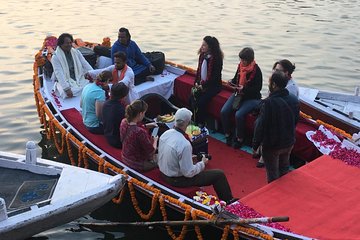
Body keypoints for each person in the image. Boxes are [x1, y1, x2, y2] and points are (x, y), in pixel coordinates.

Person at [157, 108, 236, 204]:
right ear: (188, 122)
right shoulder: (184, 144)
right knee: (219, 175)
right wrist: (202, 163)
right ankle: (229, 202)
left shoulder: (165, 134)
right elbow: (189, 173)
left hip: (164, 172)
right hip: (176, 180)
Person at [252, 70, 299, 183]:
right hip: (288, 141)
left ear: (274, 85)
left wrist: (255, 144)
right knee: (284, 170)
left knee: (273, 175)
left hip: (273, 145)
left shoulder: (268, 103)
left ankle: (274, 196)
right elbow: (295, 121)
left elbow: (260, 125)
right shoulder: (293, 99)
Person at [220, 47, 263, 148]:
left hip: (252, 98)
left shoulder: (257, 71)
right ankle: (228, 134)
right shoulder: (240, 67)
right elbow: (236, 79)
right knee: (224, 111)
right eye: (241, 60)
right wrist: (232, 82)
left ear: (250, 60)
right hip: (239, 94)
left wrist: (244, 89)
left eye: (244, 60)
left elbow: (257, 90)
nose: (242, 62)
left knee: (239, 115)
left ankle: (240, 138)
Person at [189, 36, 223, 128]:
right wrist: (196, 82)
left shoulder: (217, 59)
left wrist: (203, 85)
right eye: (202, 45)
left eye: (204, 45)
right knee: (192, 97)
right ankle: (194, 120)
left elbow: (215, 77)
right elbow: (199, 70)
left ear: (210, 47)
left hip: (213, 86)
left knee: (201, 102)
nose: (202, 47)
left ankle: (201, 123)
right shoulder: (202, 56)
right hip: (201, 83)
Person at [51, 33, 93, 99]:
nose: (69, 45)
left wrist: (94, 74)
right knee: (65, 92)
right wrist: (66, 88)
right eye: (67, 43)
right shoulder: (55, 57)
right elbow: (59, 73)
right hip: (66, 79)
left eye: (70, 43)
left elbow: (85, 64)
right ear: (61, 44)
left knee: (91, 85)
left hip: (78, 77)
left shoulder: (76, 52)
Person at [120, 100, 158, 172]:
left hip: (124, 156)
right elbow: (151, 151)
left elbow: (131, 129)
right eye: (144, 113)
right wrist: (155, 140)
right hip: (138, 164)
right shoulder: (140, 132)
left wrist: (145, 126)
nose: (144, 115)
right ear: (140, 113)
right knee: (161, 158)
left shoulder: (123, 122)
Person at [102, 82, 129, 148]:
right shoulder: (121, 110)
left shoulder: (106, 104)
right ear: (124, 96)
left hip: (108, 135)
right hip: (118, 142)